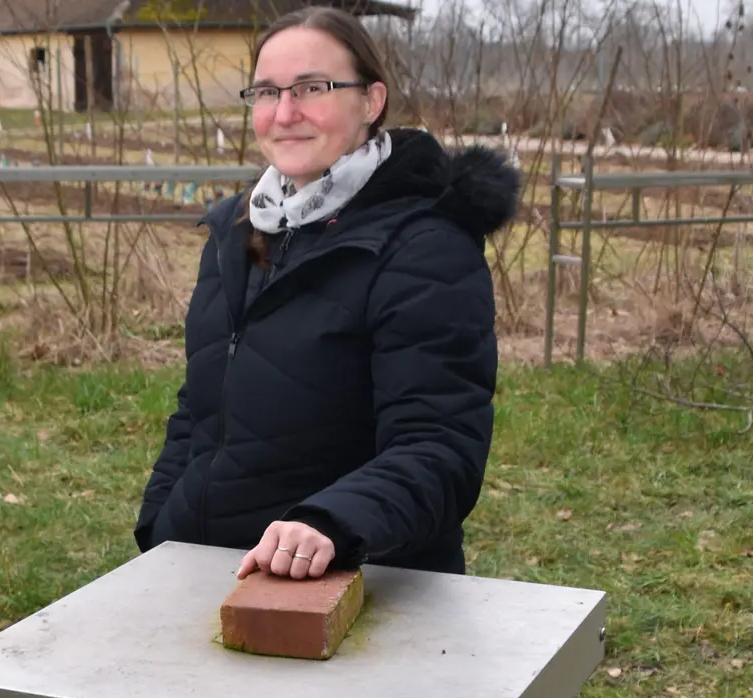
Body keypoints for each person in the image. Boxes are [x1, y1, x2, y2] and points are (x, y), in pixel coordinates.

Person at [133, 7, 521, 581]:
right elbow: (201, 406)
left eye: (312, 88)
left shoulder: (424, 249)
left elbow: (439, 445)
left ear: (371, 101)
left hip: (352, 583)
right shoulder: (239, 232)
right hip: (206, 572)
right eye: (267, 92)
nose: (284, 113)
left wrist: (331, 523)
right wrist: (163, 519)